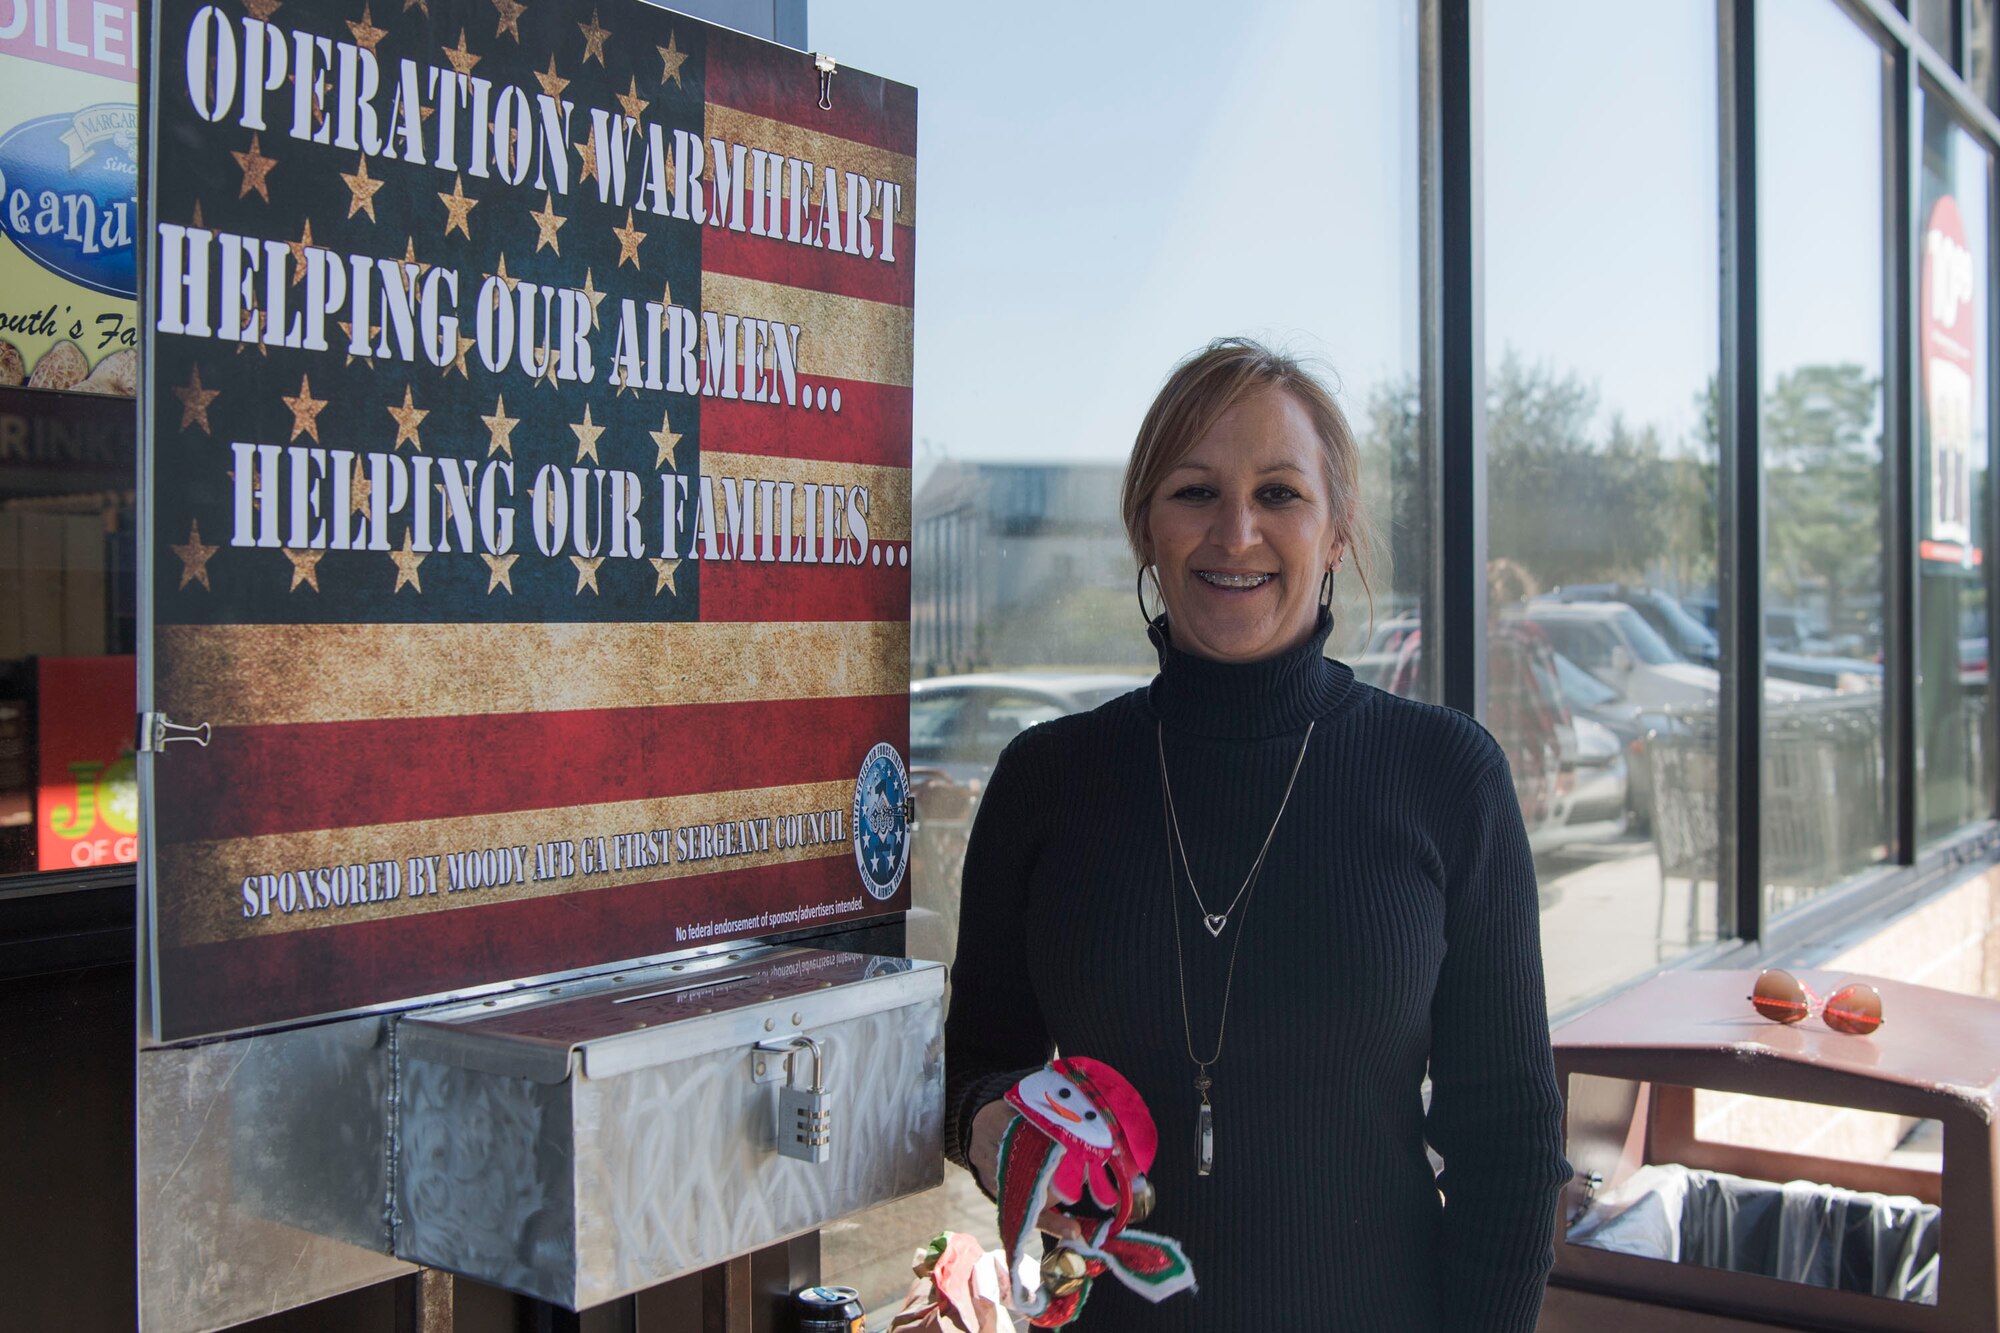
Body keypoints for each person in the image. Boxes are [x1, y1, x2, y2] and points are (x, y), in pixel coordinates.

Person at [943, 338, 1571, 1330]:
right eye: (1194, 492)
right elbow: (976, 1060)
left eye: (1278, 493)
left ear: (1334, 532)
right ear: (1145, 528)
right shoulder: (1047, 781)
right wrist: (991, 1125)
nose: (1235, 533)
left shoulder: (1446, 777)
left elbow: (1510, 1147)